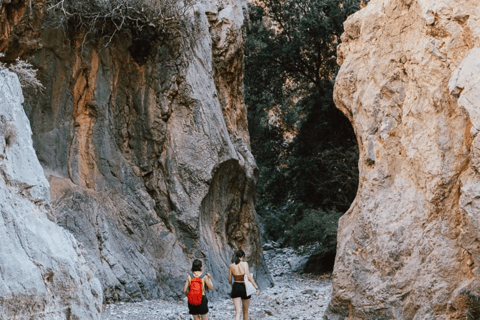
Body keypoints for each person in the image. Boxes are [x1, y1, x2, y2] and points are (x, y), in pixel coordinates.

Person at [228, 249, 260, 320]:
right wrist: (256, 288)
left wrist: (232, 285)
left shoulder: (231, 266)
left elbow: (230, 280)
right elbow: (249, 277)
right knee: (245, 311)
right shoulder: (245, 264)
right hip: (244, 287)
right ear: (242, 256)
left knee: (237, 312)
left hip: (235, 286)